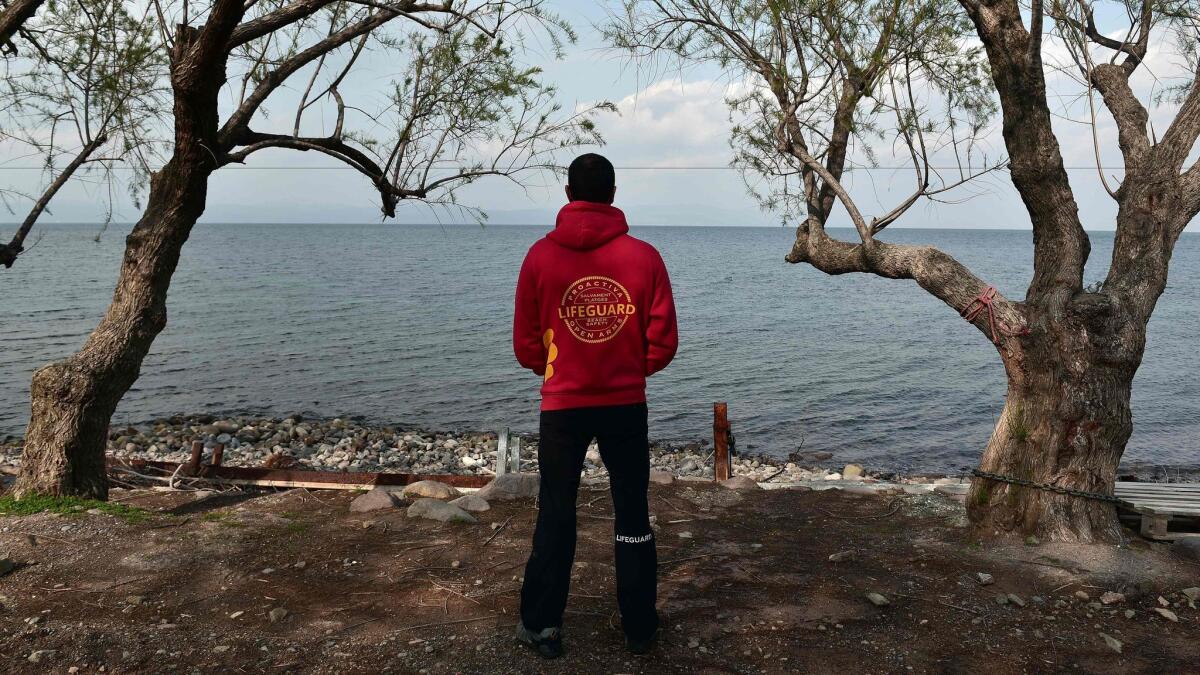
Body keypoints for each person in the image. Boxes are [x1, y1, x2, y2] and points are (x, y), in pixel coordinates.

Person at [511, 153, 678, 659]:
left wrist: (556, 369)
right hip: (626, 405)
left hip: (562, 406)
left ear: (568, 194)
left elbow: (525, 346)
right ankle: (639, 626)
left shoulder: (539, 257)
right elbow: (663, 341)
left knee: (557, 512)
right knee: (632, 512)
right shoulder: (644, 257)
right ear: (613, 193)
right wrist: (630, 368)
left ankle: (542, 624)